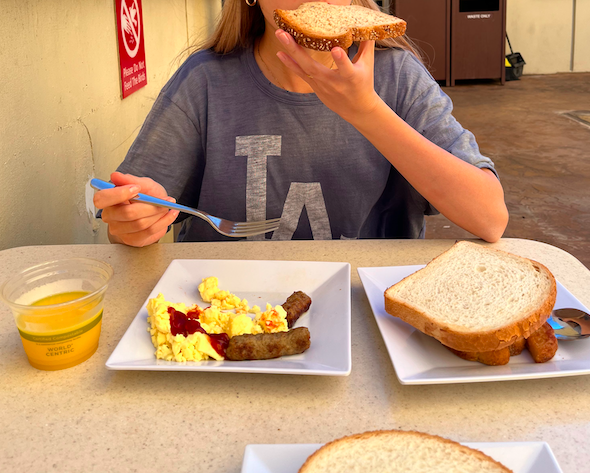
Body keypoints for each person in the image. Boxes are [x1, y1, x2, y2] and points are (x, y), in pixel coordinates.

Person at [94, 0, 508, 247]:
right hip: (227, 310)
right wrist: (134, 222)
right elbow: (130, 221)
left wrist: (366, 111)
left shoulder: (398, 76)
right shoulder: (204, 80)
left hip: (364, 309)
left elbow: (489, 217)